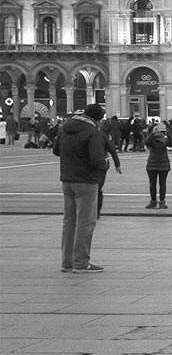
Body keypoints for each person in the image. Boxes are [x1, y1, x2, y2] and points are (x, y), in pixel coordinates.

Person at [53, 104, 108, 273]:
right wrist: (105, 163)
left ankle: (67, 262)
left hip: (67, 179)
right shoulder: (93, 132)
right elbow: (97, 159)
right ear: (97, 118)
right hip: (86, 180)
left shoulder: (64, 128)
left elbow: (56, 151)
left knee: (69, 221)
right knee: (86, 221)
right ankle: (81, 262)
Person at [143, 122, 172, 209]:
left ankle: (155, 201)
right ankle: (160, 201)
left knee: (154, 184)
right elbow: (146, 142)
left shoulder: (161, 139)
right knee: (159, 184)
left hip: (153, 164)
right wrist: (165, 133)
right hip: (161, 164)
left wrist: (155, 133)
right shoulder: (156, 139)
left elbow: (171, 143)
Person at [97, 127, 121, 217]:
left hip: (88, 164)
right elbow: (112, 150)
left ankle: (92, 211)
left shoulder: (86, 133)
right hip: (102, 163)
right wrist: (117, 164)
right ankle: (96, 212)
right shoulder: (102, 135)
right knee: (98, 188)